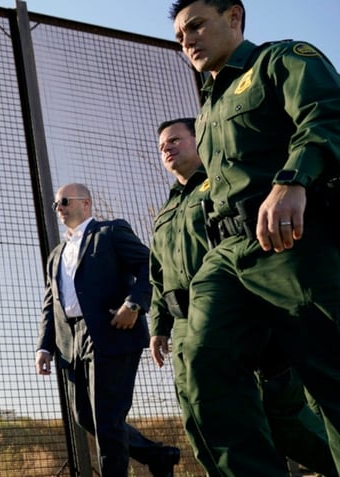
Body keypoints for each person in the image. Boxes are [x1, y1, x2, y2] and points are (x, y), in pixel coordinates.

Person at [169, 0, 340, 474]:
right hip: (227, 255)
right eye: (180, 36)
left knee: (330, 374)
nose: (188, 41)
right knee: (205, 368)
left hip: (292, 242)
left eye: (196, 26)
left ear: (234, 17)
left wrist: (293, 180)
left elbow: (327, 114)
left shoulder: (281, 59)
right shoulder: (208, 108)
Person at [149, 118, 337, 477]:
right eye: (161, 147)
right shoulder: (166, 210)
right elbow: (157, 273)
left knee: (283, 419)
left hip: (237, 310)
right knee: (201, 418)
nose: (167, 149)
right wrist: (159, 325)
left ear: (200, 141)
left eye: (175, 140)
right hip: (187, 323)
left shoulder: (221, 188)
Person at [36, 183, 181, 477]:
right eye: (56, 204)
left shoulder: (111, 232)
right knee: (84, 416)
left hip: (111, 331)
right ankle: (157, 455)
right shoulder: (56, 254)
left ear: (85, 203)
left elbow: (150, 265)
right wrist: (44, 346)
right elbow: (51, 303)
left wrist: (134, 304)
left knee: (107, 418)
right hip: (70, 341)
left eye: (64, 201)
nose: (58, 208)